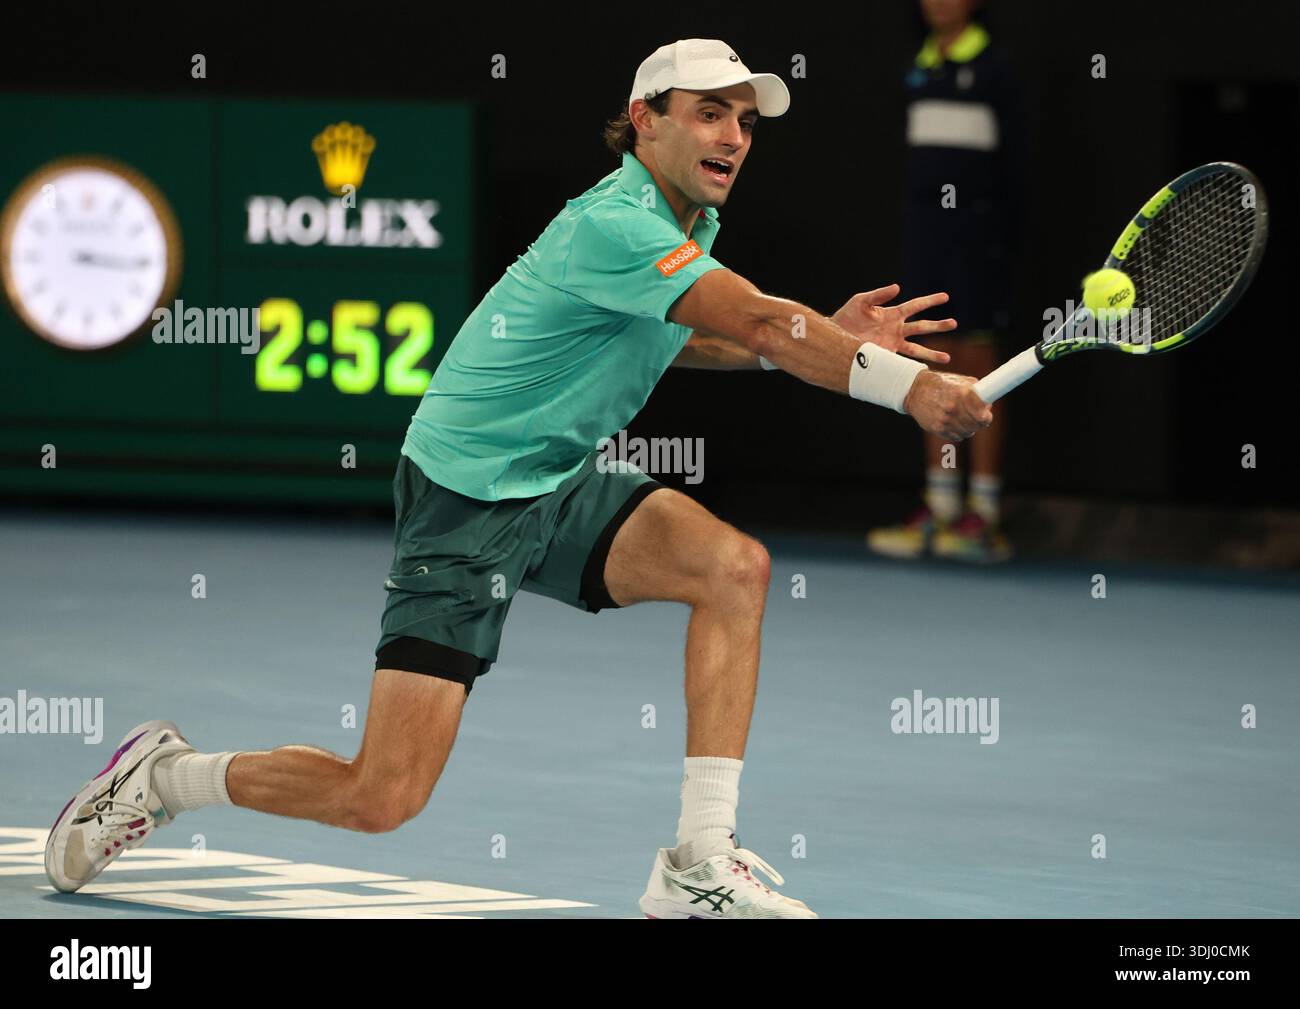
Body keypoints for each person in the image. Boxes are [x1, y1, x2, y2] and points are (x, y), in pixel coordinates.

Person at [45, 38, 992, 919]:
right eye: (711, 113)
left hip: (558, 476)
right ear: (647, 117)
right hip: (466, 498)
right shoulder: (616, 224)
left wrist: (811, 343)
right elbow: (754, 320)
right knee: (382, 796)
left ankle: (698, 859)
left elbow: (700, 332)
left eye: (745, 121)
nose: (734, 137)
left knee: (731, 567)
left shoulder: (683, 218)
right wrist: (907, 387)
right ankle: (164, 777)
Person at [868, 0, 1023, 563]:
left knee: (980, 364)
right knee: (930, 359)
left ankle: (983, 515)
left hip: (980, 242)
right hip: (925, 240)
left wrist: (999, 239)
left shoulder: (998, 69)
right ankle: (941, 510)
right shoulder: (919, 66)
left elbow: (1017, 167)